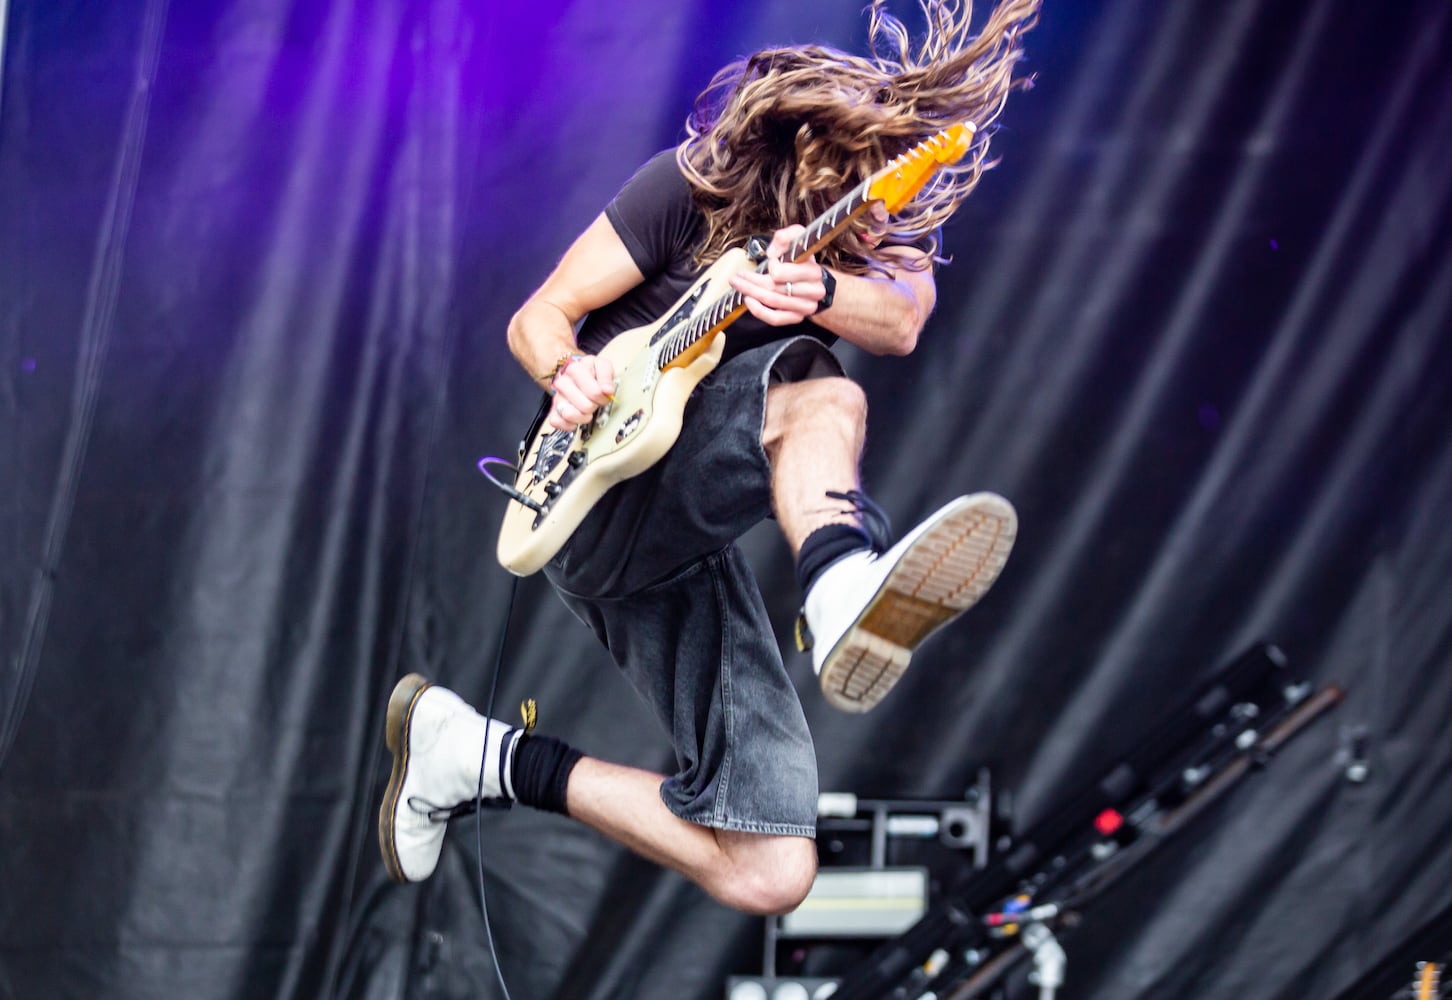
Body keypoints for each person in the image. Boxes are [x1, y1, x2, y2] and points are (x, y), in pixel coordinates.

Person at [380, 0, 1039, 916]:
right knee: (822, 394)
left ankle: (476, 756)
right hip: (589, 492)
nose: (842, 205)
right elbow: (538, 316)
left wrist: (826, 285)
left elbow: (904, 315)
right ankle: (842, 576)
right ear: (787, 150)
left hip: (669, 544)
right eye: (826, 177)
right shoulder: (678, 192)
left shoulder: (853, 243)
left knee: (772, 870)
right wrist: (564, 372)